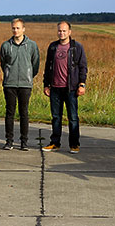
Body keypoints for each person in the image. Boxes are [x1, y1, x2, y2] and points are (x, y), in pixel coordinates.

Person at [42, 21, 88, 154]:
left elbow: (83, 67)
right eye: (59, 31)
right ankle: (55, 143)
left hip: (71, 88)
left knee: (73, 118)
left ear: (69, 32)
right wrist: (46, 85)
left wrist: (82, 84)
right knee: (56, 117)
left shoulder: (76, 47)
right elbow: (47, 67)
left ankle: (74, 144)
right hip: (55, 88)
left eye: (64, 31)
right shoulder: (53, 47)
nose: (61, 33)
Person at [0, 18, 40, 151]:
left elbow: (35, 64)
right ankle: (9, 141)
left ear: (23, 29)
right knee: (9, 113)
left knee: (24, 113)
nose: (15, 30)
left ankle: (24, 142)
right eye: (13, 28)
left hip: (25, 84)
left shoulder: (32, 45)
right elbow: (3, 63)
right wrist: (8, 75)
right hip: (10, 84)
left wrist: (28, 76)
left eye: (18, 28)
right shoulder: (6, 45)